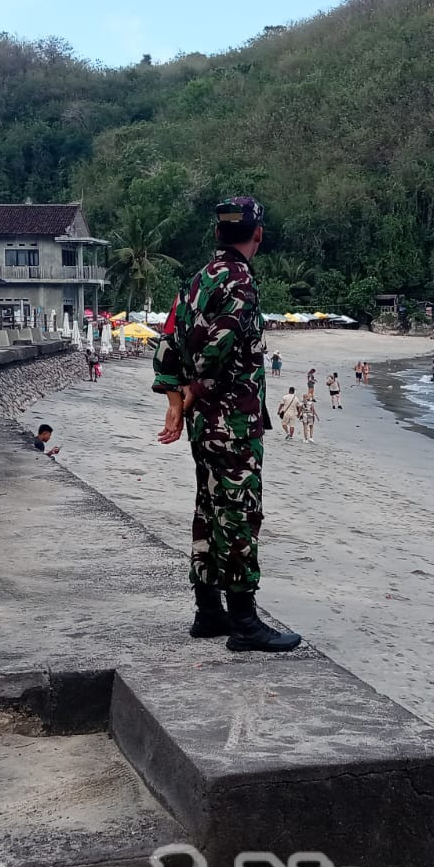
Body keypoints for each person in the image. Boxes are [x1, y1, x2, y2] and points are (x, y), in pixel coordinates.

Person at [150, 196, 300, 652]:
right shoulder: (240, 283)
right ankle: (243, 621)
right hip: (232, 422)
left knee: (208, 511)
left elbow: (167, 348)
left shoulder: (195, 281)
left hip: (203, 425)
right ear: (258, 234)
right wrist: (191, 393)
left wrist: (176, 402)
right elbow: (213, 349)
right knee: (238, 514)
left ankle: (208, 611)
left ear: (217, 233)